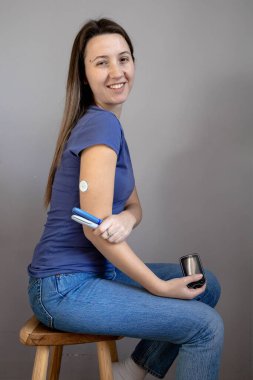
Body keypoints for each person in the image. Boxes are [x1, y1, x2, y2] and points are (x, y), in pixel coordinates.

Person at [27, 18, 224, 380]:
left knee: (205, 284)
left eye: (124, 58)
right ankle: (135, 370)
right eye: (101, 62)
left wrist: (126, 220)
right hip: (65, 287)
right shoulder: (101, 126)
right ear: (84, 75)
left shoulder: (108, 124)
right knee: (205, 327)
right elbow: (94, 231)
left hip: (96, 273)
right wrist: (159, 287)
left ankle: (134, 369)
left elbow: (134, 207)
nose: (116, 71)